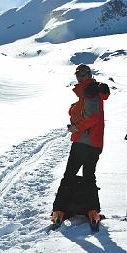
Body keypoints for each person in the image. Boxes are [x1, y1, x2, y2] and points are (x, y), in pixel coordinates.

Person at [52, 64, 110, 229]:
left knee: (69, 176)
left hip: (84, 143)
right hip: (95, 143)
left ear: (89, 75)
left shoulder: (90, 90)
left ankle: (59, 210)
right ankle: (92, 210)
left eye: (83, 74)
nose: (80, 77)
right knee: (89, 177)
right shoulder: (91, 90)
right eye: (78, 74)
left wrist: (75, 127)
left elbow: (92, 117)